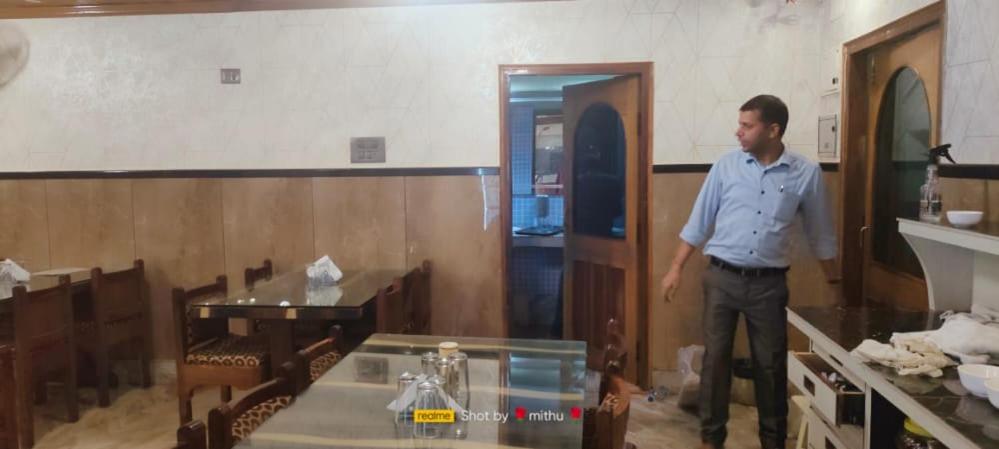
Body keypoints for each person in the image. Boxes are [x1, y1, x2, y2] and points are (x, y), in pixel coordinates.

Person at [660, 95, 840, 449]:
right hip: (721, 278)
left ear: (772, 130)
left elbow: (821, 235)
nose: (738, 131)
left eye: (747, 125)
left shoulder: (806, 174)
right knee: (715, 362)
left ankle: (773, 441)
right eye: (739, 124)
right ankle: (711, 440)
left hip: (769, 285)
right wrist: (675, 268)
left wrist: (836, 284)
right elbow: (698, 222)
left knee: (770, 366)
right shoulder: (726, 166)